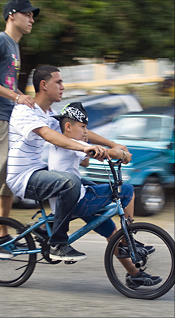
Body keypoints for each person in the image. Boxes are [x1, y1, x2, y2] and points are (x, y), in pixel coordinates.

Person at [6, 64, 134, 262]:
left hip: (40, 171)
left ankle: (123, 243)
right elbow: (48, 135)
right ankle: (58, 243)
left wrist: (112, 144)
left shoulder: (49, 114)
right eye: (58, 82)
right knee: (71, 182)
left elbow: (78, 130)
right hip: (23, 177)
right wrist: (83, 147)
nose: (63, 86)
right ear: (44, 85)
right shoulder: (25, 111)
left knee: (90, 186)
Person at [48, 102, 161, 288]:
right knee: (127, 190)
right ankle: (128, 239)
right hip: (79, 201)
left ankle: (134, 274)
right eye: (83, 127)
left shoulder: (67, 144)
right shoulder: (72, 143)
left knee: (110, 231)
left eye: (86, 127)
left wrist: (93, 149)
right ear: (68, 127)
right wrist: (121, 153)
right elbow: (105, 153)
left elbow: (84, 161)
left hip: (72, 202)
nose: (86, 131)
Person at [0, 0, 40, 258]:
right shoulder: (0, 41)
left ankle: (3, 234)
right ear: (12, 16)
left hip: (7, 118)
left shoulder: (14, 46)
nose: (32, 19)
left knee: (7, 180)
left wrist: (22, 97)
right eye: (28, 14)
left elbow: (7, 83)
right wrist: (15, 98)